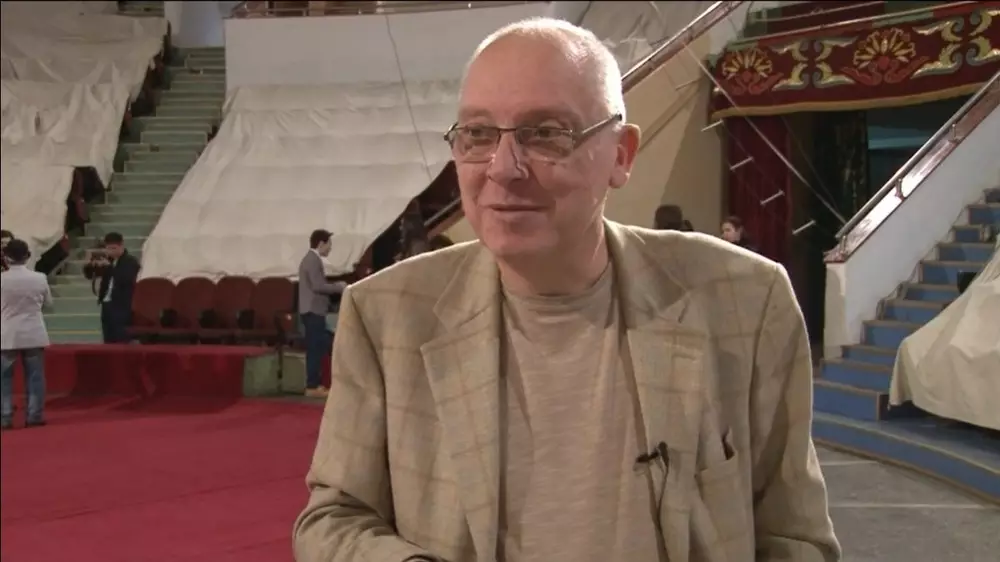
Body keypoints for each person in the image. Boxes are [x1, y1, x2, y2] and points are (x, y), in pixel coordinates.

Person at [294, 18, 840, 562]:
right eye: (478, 134)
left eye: (545, 133)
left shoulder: (747, 301)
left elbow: (796, 540)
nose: (503, 169)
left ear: (621, 155)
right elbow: (333, 518)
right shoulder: (386, 315)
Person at [1, 239, 53, 429]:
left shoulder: (2, 279)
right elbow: (49, 304)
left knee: (4, 377)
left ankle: (5, 416)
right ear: (27, 256)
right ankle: (34, 415)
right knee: (35, 376)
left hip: (8, 333)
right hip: (33, 331)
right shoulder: (39, 277)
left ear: (6, 257)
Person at [297, 229, 347, 398]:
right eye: (329, 244)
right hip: (313, 311)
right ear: (321, 244)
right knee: (315, 349)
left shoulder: (312, 259)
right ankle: (312, 385)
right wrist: (339, 287)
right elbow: (318, 286)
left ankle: (315, 383)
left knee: (319, 346)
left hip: (313, 310)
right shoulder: (312, 260)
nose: (330, 248)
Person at [93, 232, 141, 343]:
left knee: (120, 339)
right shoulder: (108, 261)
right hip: (107, 304)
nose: (111, 251)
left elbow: (126, 279)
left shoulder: (130, 262)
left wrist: (111, 268)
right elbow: (91, 274)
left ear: (121, 246)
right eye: (108, 249)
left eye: (114, 248)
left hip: (121, 306)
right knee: (108, 338)